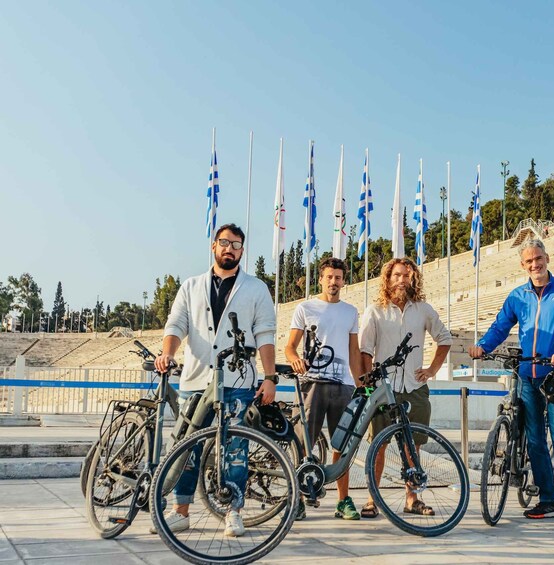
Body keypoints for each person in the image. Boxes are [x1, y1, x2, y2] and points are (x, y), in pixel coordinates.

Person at [152, 223, 278, 538]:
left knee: (235, 448)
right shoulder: (191, 286)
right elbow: (176, 324)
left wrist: (270, 377)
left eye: (236, 244)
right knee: (185, 448)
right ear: (214, 246)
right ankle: (181, 511)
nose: (229, 248)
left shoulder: (256, 287)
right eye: (224, 242)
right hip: (196, 379)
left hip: (237, 380)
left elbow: (264, 333)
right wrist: (167, 353)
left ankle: (233, 511)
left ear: (242, 250)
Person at [469, 238, 554, 527]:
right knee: (535, 440)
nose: (535, 264)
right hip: (527, 374)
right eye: (529, 261)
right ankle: (548, 498)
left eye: (539, 259)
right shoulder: (517, 295)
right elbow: (501, 325)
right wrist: (483, 346)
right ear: (522, 265)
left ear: (547, 258)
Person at [358, 257, 452, 518]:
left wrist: (432, 369)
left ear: (413, 279)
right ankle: (371, 499)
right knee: (379, 446)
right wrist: (370, 381)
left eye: (406, 275)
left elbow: (444, 339)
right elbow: (365, 350)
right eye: (396, 275)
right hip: (383, 389)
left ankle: (412, 499)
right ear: (388, 279)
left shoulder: (423, 309)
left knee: (414, 447)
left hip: (415, 388)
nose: (401, 280)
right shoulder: (375, 310)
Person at [285, 257, 363, 521]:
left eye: (338, 277)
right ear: (321, 279)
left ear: (343, 280)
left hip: (343, 385)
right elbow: (289, 346)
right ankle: (297, 498)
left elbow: (354, 351)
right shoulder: (305, 308)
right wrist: (295, 358)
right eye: (329, 277)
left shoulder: (351, 311)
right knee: (303, 443)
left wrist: (360, 382)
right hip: (312, 384)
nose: (333, 282)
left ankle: (343, 501)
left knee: (342, 445)